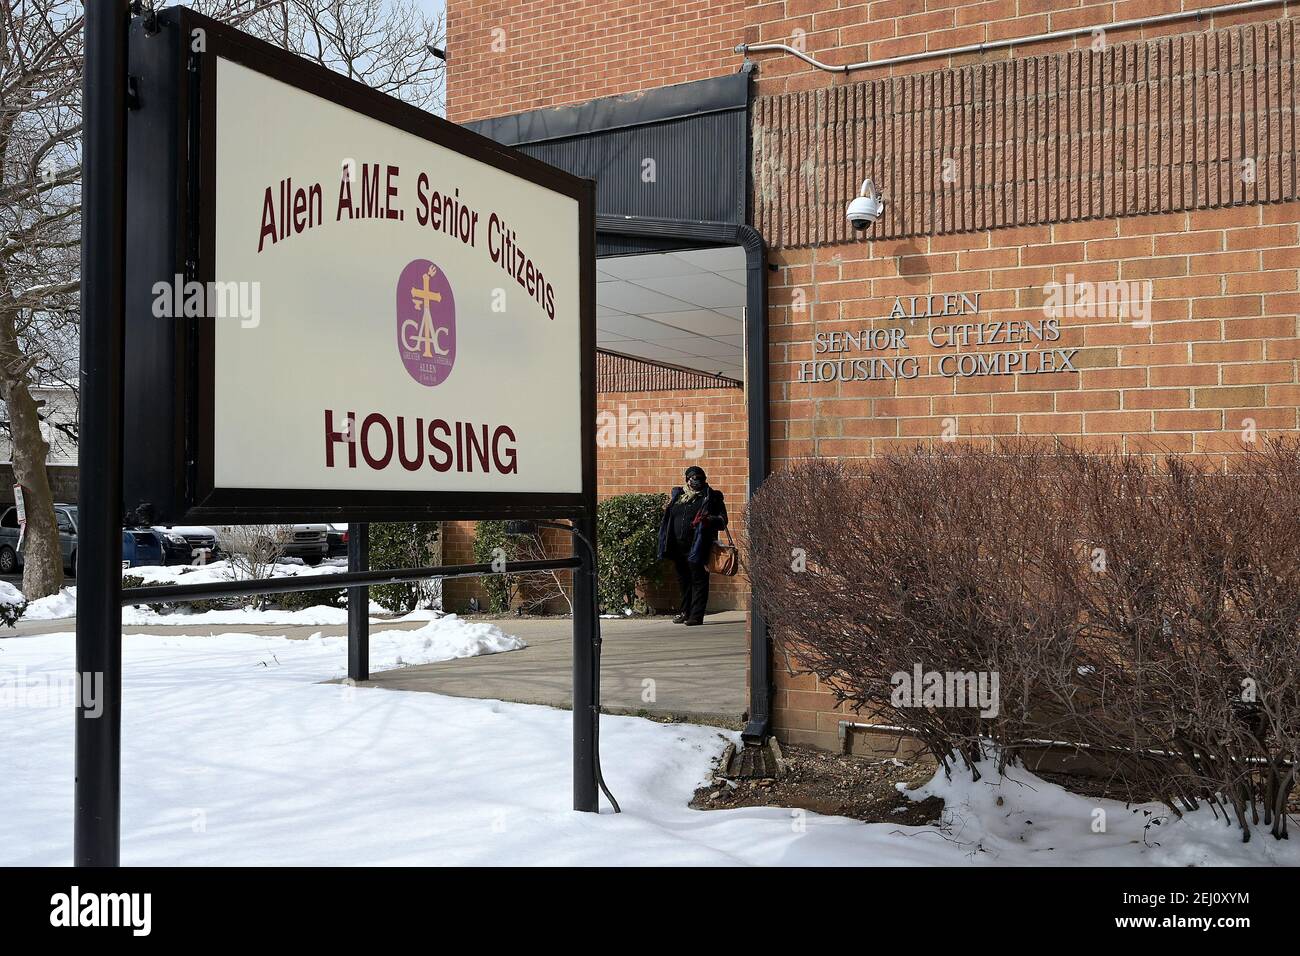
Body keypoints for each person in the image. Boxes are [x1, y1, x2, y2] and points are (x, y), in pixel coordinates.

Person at [657, 465, 728, 626]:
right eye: (694, 478)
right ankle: (685, 611)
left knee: (699, 580)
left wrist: (708, 519)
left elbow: (723, 521)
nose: (697, 481)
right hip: (677, 546)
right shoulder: (678, 496)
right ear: (687, 480)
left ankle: (696, 615)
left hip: (699, 545)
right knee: (684, 581)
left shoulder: (712, 497)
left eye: (701, 478)